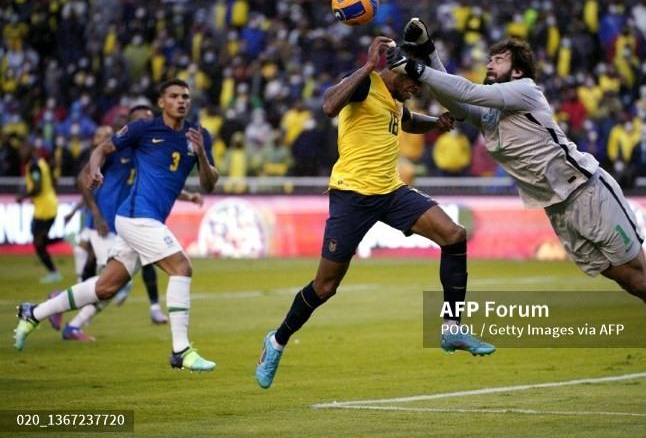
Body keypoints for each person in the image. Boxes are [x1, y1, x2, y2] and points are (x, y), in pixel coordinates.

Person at [387, 20, 646, 405]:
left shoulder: (524, 91)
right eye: (490, 57)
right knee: (636, 281)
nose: (491, 62)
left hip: (587, 190)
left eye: (499, 58)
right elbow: (458, 101)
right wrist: (428, 51)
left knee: (641, 280)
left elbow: (467, 90)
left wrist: (416, 66)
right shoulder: (489, 115)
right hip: (558, 210)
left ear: (517, 70)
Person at [255, 36, 495, 390]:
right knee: (325, 286)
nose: (417, 89)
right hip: (351, 196)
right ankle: (275, 342)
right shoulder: (365, 83)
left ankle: (451, 327)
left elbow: (408, 120)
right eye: (416, 82)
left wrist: (437, 123)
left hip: (391, 192)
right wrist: (367, 65)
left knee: (454, 235)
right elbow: (327, 105)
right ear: (398, 72)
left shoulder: (395, 101)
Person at [15, 79, 219, 372]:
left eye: (185, 96)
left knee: (106, 287)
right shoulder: (144, 129)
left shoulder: (199, 135)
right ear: (161, 102)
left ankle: (34, 312)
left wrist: (200, 155)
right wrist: (95, 169)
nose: (181, 101)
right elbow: (102, 148)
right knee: (182, 267)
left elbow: (209, 184)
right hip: (136, 217)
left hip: (146, 220)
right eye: (174, 96)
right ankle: (181, 350)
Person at [16, 142, 62, 284]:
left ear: (31, 150)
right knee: (39, 241)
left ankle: (54, 273)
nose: (21, 152)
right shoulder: (40, 162)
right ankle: (63, 239)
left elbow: (38, 187)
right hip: (47, 205)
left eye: (24, 148)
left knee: (38, 241)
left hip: (45, 208)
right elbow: (52, 181)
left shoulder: (34, 166)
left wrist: (22, 196)